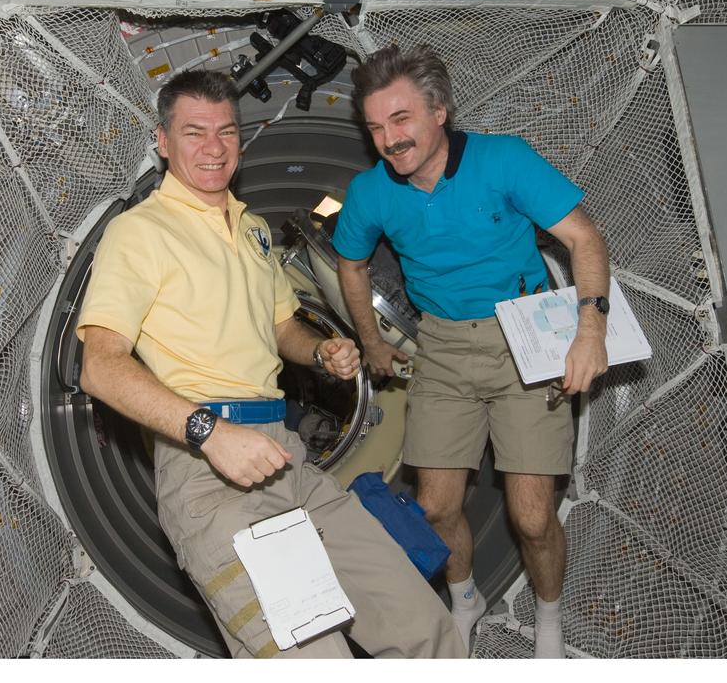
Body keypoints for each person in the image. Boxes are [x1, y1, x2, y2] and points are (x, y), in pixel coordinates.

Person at [76, 69, 465, 659]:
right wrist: (208, 434)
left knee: (427, 633)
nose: (214, 148)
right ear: (162, 140)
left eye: (226, 132)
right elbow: (99, 367)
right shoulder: (139, 233)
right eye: (194, 132)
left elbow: (280, 325)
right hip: (210, 472)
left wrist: (320, 352)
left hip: (290, 463)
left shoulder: (253, 230)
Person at [333, 45, 611, 658]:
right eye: (376, 127)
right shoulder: (371, 192)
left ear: (440, 111)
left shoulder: (503, 159)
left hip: (527, 339)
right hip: (443, 347)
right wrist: (372, 341)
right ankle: (466, 600)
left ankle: (548, 617)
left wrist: (589, 329)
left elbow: (583, 235)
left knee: (533, 518)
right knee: (434, 509)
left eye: (401, 120)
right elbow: (350, 265)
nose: (389, 140)